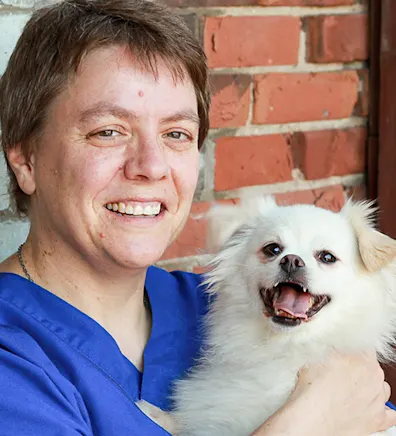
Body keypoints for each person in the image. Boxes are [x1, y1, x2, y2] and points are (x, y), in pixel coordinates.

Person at [0, 0, 394, 434]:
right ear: (25, 159)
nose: (151, 165)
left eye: (176, 134)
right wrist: (302, 424)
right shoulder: (13, 362)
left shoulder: (226, 306)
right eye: (108, 131)